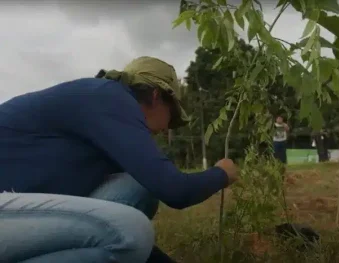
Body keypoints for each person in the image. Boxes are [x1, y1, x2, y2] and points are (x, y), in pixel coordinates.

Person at [0, 56, 239, 263]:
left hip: (17, 216)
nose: (167, 129)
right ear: (156, 96)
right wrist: (222, 173)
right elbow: (175, 190)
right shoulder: (109, 98)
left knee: (135, 188)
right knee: (131, 231)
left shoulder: (104, 114)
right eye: (172, 116)